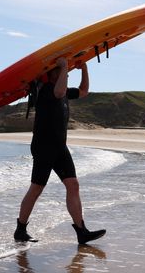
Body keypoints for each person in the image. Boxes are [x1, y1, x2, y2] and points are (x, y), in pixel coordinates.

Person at [14, 57, 106, 245]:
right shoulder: (46, 90)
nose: (66, 72)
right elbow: (59, 90)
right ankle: (20, 230)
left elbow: (84, 91)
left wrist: (84, 69)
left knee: (73, 185)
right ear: (51, 74)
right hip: (44, 146)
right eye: (60, 71)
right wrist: (63, 66)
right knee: (37, 188)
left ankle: (81, 231)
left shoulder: (63, 92)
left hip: (59, 147)